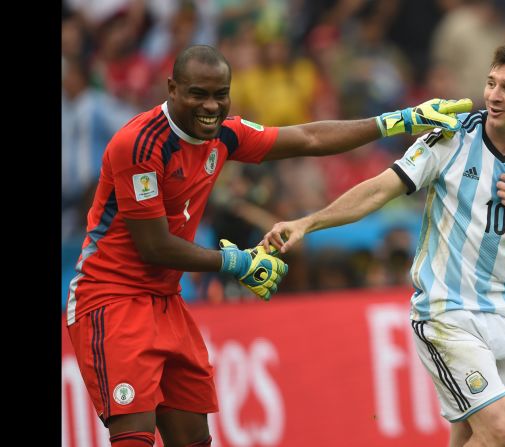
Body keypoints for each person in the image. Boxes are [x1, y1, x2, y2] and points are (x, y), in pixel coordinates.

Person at [65, 44, 471, 447]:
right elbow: (154, 247)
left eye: (219, 94)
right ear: (172, 88)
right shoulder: (138, 144)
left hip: (166, 301)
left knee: (192, 440)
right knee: (133, 437)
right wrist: (236, 262)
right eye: (197, 94)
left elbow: (309, 137)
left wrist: (398, 121)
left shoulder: (223, 134)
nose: (210, 105)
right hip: (111, 298)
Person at [264, 44, 505, 447]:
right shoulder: (451, 138)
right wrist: (308, 222)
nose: (494, 96)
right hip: (445, 311)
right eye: (491, 83)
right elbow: (380, 190)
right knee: (500, 430)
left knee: (470, 434)